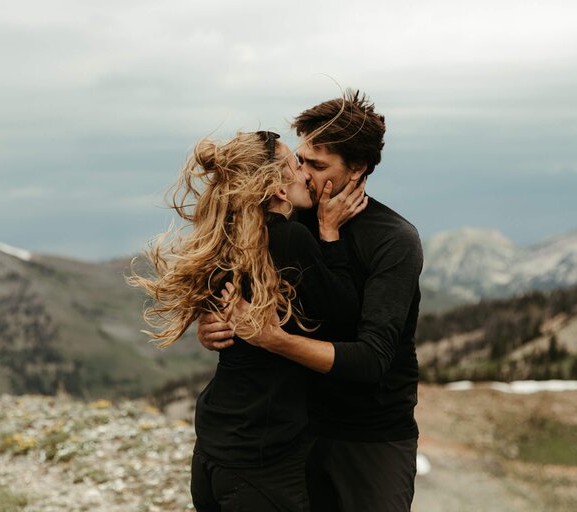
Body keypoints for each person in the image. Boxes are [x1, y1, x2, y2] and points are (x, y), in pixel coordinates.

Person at [198, 90, 423, 512]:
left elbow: (371, 359)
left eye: (317, 166)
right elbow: (232, 278)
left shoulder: (394, 239)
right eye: (299, 160)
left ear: (356, 170)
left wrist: (271, 340)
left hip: (368, 434)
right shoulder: (289, 216)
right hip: (292, 433)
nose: (302, 173)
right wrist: (213, 325)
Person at [129, 130, 367, 511]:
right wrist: (329, 234)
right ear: (276, 187)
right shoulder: (290, 238)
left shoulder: (226, 239)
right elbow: (350, 321)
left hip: (215, 445)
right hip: (262, 455)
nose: (305, 174)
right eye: (295, 165)